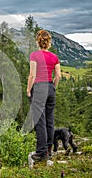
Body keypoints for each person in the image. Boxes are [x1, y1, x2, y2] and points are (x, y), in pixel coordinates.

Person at [27, 29, 61, 161]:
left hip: (39, 88)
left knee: (40, 120)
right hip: (50, 88)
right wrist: (53, 87)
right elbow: (58, 75)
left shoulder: (34, 55)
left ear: (38, 41)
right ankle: (48, 150)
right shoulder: (54, 57)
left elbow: (32, 75)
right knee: (49, 121)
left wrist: (28, 90)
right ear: (49, 42)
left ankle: (41, 153)